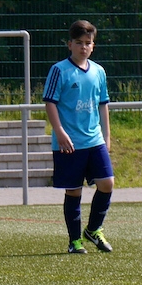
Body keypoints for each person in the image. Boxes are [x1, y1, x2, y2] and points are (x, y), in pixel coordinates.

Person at [43, 19, 114, 254]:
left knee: (107, 183)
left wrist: (106, 135)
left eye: (88, 43)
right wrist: (59, 131)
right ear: (70, 44)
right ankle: (74, 241)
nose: (83, 47)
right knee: (74, 190)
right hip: (69, 142)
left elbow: (103, 105)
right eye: (79, 42)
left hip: (94, 140)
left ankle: (93, 230)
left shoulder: (99, 71)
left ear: (93, 46)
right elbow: (50, 102)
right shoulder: (59, 70)